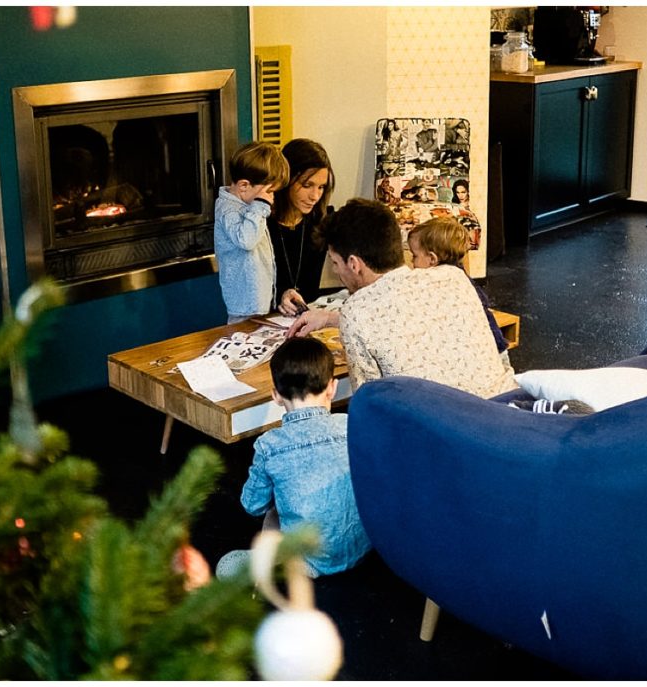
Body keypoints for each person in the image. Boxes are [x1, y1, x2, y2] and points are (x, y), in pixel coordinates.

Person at [287, 198, 518, 398]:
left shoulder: (356, 312)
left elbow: (370, 404)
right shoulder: (453, 276)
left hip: (442, 440)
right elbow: (402, 313)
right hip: (507, 413)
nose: (336, 271)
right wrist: (329, 318)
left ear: (354, 264)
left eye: (335, 263)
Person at [217, 337, 371, 579]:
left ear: (276, 396)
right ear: (332, 387)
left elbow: (252, 505)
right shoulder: (351, 425)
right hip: (363, 549)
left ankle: (269, 563)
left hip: (306, 561)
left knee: (271, 511)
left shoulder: (270, 445)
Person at [407, 217, 513, 373]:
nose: (411, 262)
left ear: (432, 259)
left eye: (414, 256)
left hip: (490, 351)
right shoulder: (459, 275)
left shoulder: (447, 284)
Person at [213, 141, 290, 323]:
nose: (271, 199)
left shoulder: (248, 204)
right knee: (242, 341)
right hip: (244, 302)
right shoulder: (228, 210)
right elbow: (246, 240)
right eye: (269, 192)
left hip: (258, 296)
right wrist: (260, 206)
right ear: (244, 186)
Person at [268, 139, 336, 317]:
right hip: (267, 318)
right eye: (307, 185)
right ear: (286, 180)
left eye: (321, 187)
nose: (315, 196)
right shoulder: (262, 223)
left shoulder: (322, 219)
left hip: (309, 318)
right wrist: (280, 297)